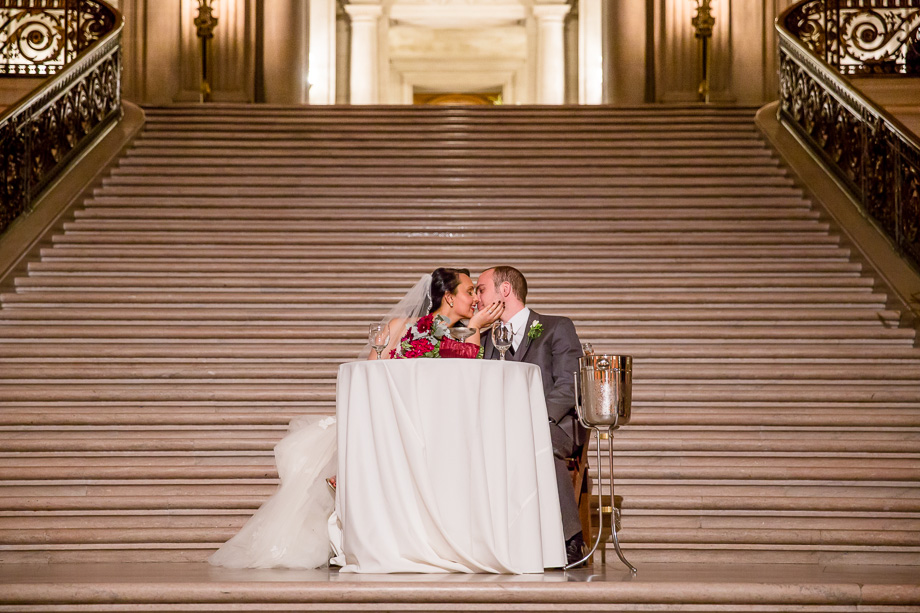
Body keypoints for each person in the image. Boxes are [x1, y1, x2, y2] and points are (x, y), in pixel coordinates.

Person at [208, 267, 501, 570]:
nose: (476, 300)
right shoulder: (403, 326)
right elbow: (371, 374)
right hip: (395, 423)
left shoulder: (461, 332)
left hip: (435, 427)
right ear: (449, 298)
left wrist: (474, 326)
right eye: (469, 291)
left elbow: (471, 369)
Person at [476, 265, 587, 567]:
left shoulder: (555, 327)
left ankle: (570, 538)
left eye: (481, 289)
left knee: (537, 442)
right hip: (502, 429)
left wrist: (534, 419)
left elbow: (569, 384)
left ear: (505, 290)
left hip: (555, 425)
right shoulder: (484, 340)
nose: (476, 298)